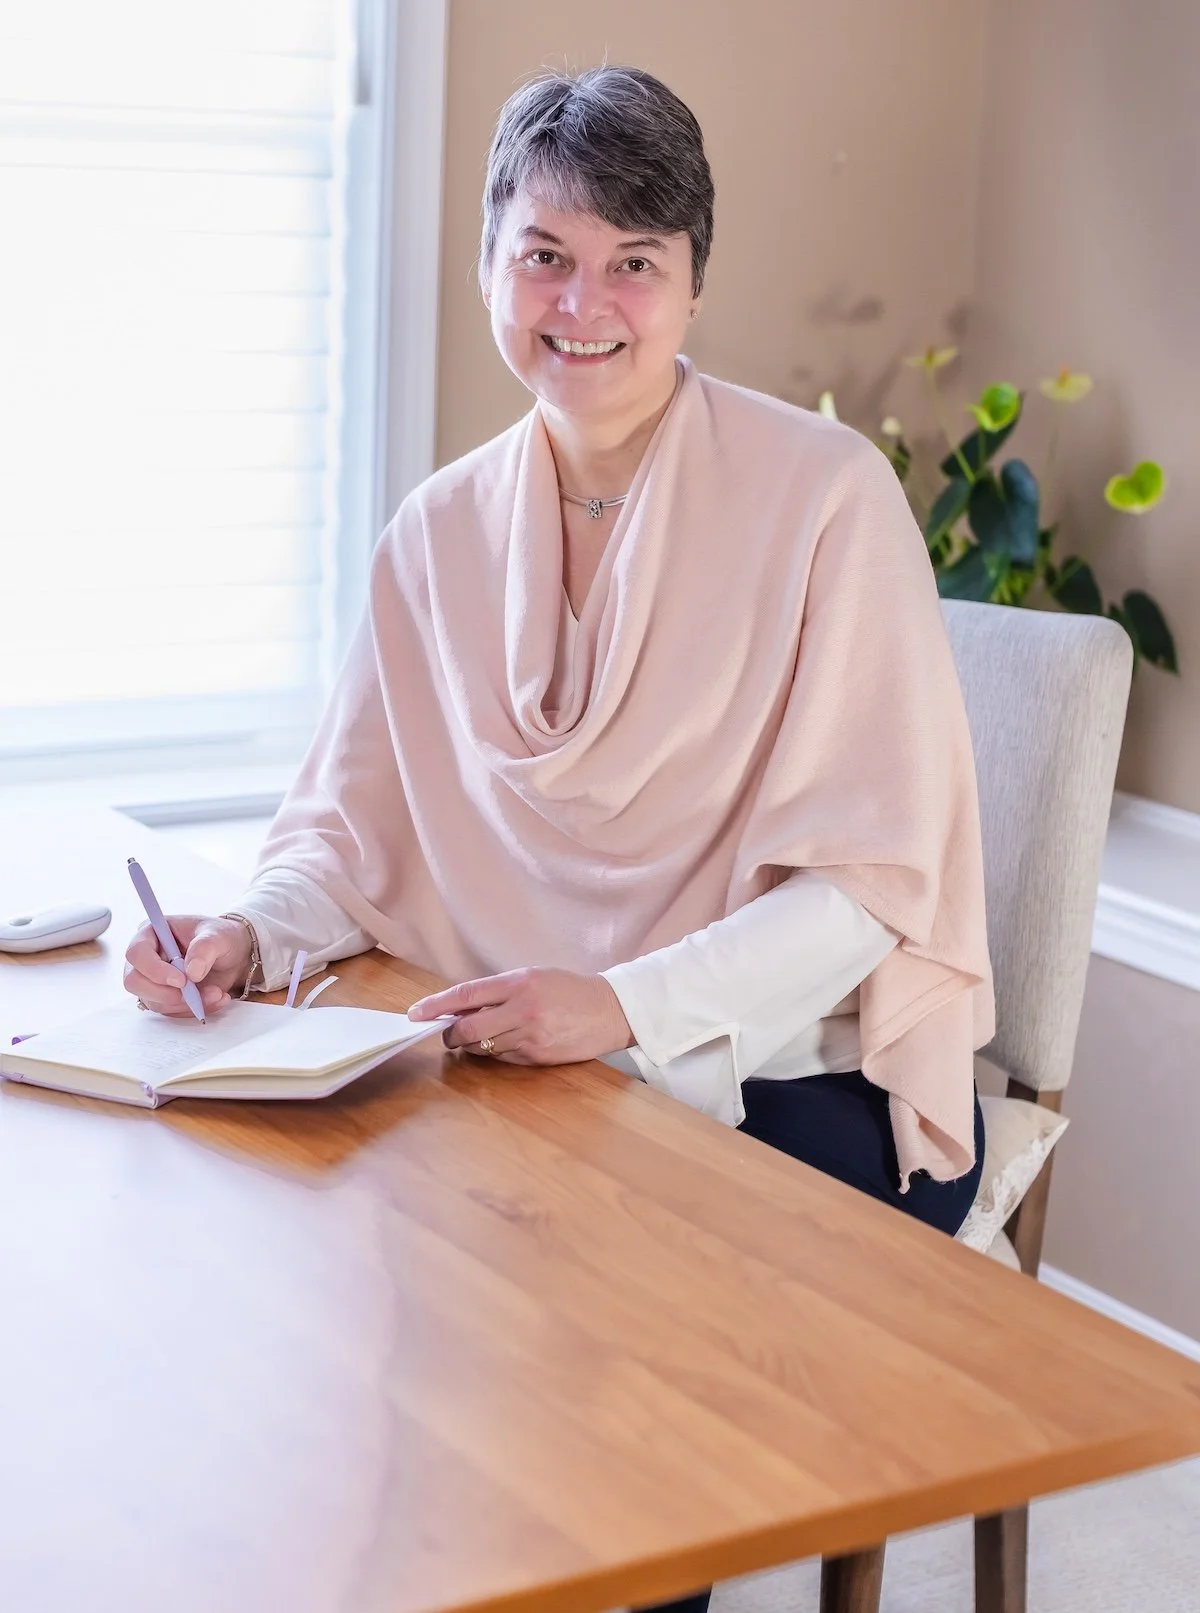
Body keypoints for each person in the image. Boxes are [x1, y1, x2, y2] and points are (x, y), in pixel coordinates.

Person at [125, 64, 992, 1613]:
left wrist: (623, 1007)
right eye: (545, 255)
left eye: (633, 263)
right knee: (330, 1296)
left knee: (592, 1377)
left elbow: (869, 894)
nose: (584, 304)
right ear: (488, 270)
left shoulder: (826, 499)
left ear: (694, 285)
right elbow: (353, 833)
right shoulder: (436, 531)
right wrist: (249, 932)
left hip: (798, 1085)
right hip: (533, 1073)